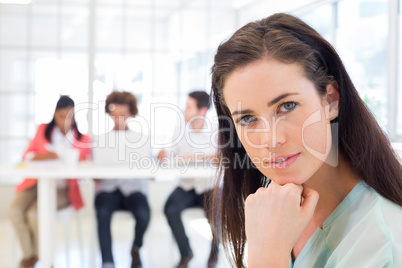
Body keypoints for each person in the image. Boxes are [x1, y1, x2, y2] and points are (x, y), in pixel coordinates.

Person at [209, 13, 402, 268]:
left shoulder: (383, 245)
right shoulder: (274, 208)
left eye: (287, 106)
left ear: (330, 100)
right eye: (247, 118)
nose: (271, 139)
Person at [8, 95, 92, 268]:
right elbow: (26, 157)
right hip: (36, 184)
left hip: (64, 189)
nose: (65, 121)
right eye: (61, 116)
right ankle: (30, 256)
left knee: (34, 214)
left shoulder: (83, 140)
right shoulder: (43, 131)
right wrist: (42, 156)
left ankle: (40, 256)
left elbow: (85, 172)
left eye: (70, 116)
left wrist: (79, 164)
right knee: (15, 210)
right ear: (55, 115)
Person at [158, 91, 220, 268]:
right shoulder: (180, 127)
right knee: (170, 209)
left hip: (210, 186)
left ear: (202, 111)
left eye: (188, 107)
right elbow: (172, 150)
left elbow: (221, 156)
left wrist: (195, 157)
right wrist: (164, 153)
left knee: (218, 213)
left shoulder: (217, 129)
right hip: (187, 185)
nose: (184, 111)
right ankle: (186, 253)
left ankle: (214, 254)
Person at [94, 91, 151, 268]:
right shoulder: (100, 140)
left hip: (133, 189)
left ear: (131, 114)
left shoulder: (141, 140)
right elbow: (94, 175)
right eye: (115, 115)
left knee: (144, 214)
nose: (118, 119)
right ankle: (108, 262)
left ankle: (135, 248)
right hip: (107, 189)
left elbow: (150, 168)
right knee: (102, 212)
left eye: (123, 115)